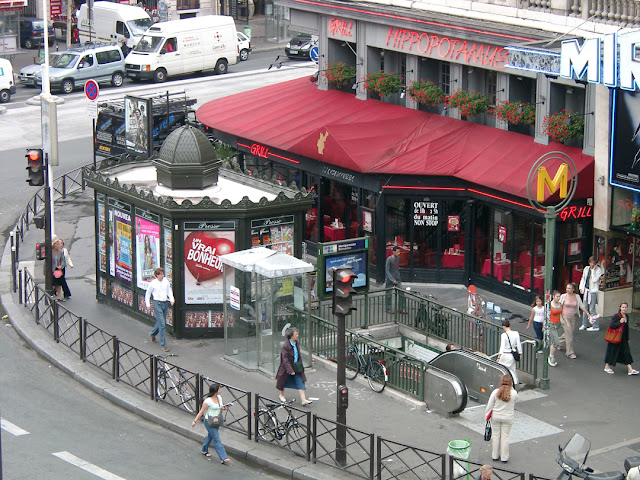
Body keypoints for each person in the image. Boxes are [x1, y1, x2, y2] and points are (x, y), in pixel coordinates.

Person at [191, 383, 231, 464]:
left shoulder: (219, 397)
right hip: (209, 422)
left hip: (217, 421)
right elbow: (201, 411)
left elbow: (220, 408)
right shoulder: (207, 401)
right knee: (217, 439)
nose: (221, 390)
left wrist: (225, 408)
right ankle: (223, 457)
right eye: (219, 389)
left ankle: (204, 449)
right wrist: (195, 421)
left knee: (210, 436)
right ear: (216, 391)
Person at [276, 327, 313, 406]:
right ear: (291, 336)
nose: (298, 335)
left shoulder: (296, 343)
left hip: (296, 366)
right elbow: (285, 360)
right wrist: (290, 370)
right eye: (296, 334)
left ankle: (303, 400)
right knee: (283, 381)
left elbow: (298, 354)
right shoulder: (286, 346)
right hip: (287, 368)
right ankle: (281, 395)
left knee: (300, 381)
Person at [485, 374, 518, 463]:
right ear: (511, 383)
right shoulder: (514, 393)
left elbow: (489, 406)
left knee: (496, 436)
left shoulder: (495, 392)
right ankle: (504, 457)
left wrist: (486, 417)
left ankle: (495, 455)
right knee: (505, 437)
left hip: (496, 417)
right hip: (508, 418)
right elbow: (515, 400)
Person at [604, 302, 639, 375]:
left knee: (626, 352)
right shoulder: (616, 316)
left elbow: (626, 329)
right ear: (620, 308)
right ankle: (607, 366)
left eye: (625, 307)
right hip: (616, 338)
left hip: (623, 338)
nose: (624, 309)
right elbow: (612, 325)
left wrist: (627, 338)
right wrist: (619, 322)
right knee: (612, 352)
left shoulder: (627, 316)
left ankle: (630, 369)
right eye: (623, 307)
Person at [145, 267, 174, 352]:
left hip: (164, 303)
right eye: (160, 274)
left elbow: (169, 290)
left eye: (163, 274)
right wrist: (147, 304)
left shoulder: (166, 281)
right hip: (157, 303)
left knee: (161, 322)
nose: (162, 275)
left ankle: (153, 333)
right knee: (162, 325)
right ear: (157, 275)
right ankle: (163, 345)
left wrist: (171, 299)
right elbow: (148, 294)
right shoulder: (153, 283)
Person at [559, 282, 591, 359]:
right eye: (567, 288)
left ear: (573, 289)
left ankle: (557, 342)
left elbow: (581, 306)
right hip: (564, 317)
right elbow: (559, 306)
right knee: (569, 334)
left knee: (569, 333)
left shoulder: (577, 297)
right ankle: (569, 352)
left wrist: (588, 314)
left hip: (572, 317)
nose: (567, 290)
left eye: (569, 288)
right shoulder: (563, 296)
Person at [579, 256, 604, 332]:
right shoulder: (586, 268)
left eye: (593, 263)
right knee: (584, 307)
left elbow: (594, 280)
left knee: (592, 309)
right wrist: (581, 287)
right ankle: (584, 324)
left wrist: (593, 271)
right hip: (586, 290)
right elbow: (583, 278)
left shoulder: (598, 270)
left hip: (593, 291)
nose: (592, 264)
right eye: (591, 262)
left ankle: (595, 325)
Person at [496, 320, 522, 384]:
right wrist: (520, 354)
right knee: (512, 371)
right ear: (510, 325)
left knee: (502, 370)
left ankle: (502, 383)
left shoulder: (504, 335)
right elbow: (519, 345)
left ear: (503, 326)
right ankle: (513, 383)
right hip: (512, 355)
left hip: (504, 355)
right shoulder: (516, 333)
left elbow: (502, 347)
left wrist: (499, 357)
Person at [385, 246, 406, 314]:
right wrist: (392, 279)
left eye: (399, 252)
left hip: (397, 279)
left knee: (402, 293)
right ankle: (388, 308)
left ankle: (401, 308)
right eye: (397, 252)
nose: (399, 253)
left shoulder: (398, 258)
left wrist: (398, 277)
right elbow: (387, 271)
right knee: (389, 295)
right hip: (390, 280)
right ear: (393, 252)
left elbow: (397, 268)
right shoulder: (389, 259)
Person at [547, 290, 564, 367]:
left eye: (559, 296)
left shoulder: (560, 304)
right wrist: (544, 325)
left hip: (558, 324)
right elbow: (546, 315)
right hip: (551, 324)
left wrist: (567, 323)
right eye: (557, 296)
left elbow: (562, 314)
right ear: (553, 296)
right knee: (556, 342)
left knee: (554, 341)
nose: (558, 298)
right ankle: (551, 356)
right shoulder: (550, 305)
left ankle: (551, 355)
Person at [51, 237, 67, 301]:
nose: (58, 245)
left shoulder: (60, 252)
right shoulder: (50, 252)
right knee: (54, 284)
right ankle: (51, 293)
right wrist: (44, 271)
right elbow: (46, 262)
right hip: (52, 269)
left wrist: (61, 265)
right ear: (53, 245)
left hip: (58, 269)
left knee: (59, 284)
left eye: (59, 244)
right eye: (57, 244)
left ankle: (59, 296)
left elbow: (63, 260)